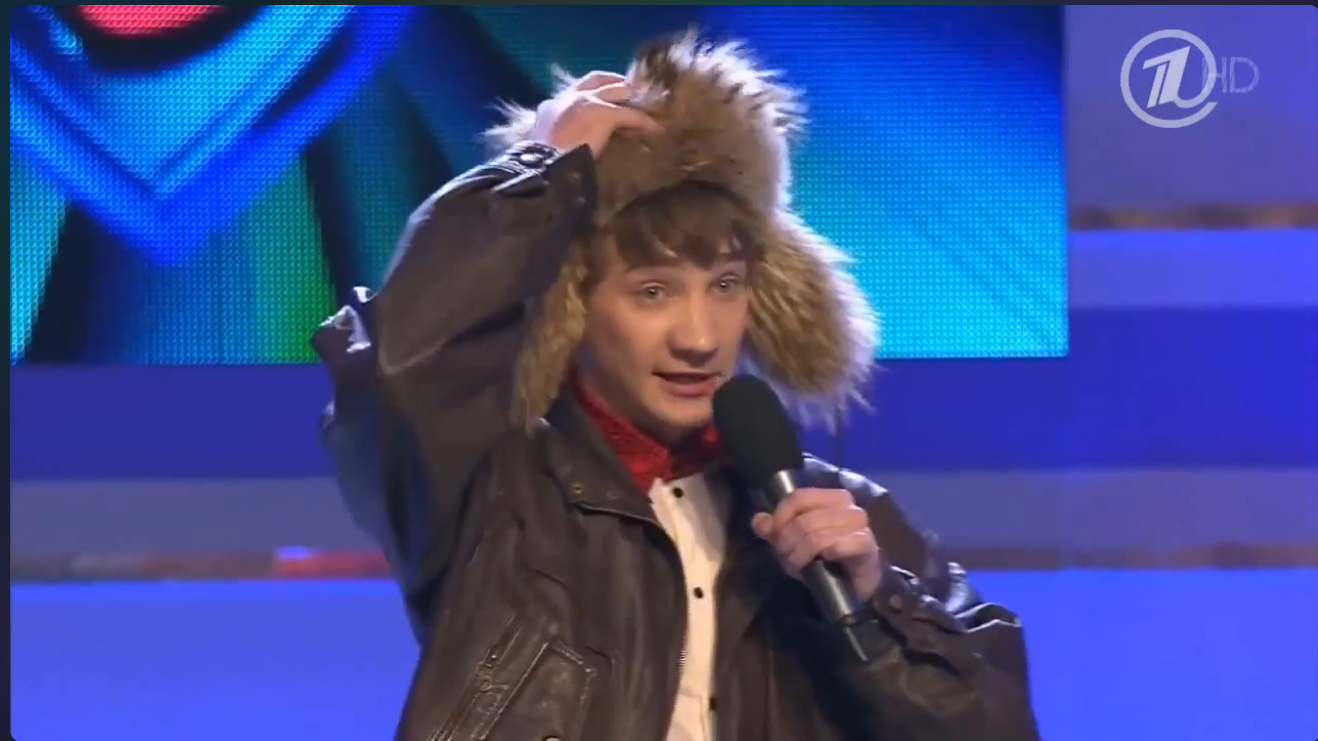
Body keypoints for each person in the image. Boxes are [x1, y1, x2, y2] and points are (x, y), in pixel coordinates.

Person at [315, 32, 1040, 741]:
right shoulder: (491, 492)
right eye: (653, 291)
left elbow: (1000, 724)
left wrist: (878, 603)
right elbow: (402, 363)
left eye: (725, 285)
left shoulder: (845, 520)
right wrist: (537, 174)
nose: (700, 337)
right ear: (574, 307)